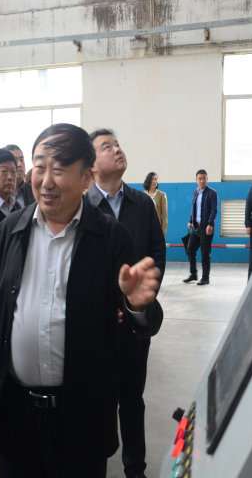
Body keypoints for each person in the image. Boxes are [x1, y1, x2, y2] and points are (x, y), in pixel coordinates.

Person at [0, 123, 163, 478]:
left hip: (80, 418)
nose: (46, 181)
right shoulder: (9, 231)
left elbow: (147, 323)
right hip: (15, 415)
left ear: (87, 178)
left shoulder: (110, 236)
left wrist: (136, 304)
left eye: (59, 169)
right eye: (39, 167)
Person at [87, 129, 166, 478]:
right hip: (96, 328)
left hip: (135, 323)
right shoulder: (83, 207)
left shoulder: (142, 203)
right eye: (107, 147)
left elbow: (158, 253)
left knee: (132, 401)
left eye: (117, 144)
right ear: (91, 165)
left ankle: (135, 469)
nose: (117, 149)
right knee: (96, 403)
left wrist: (139, 303)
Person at [184, 169, 218, 286]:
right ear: (196, 180)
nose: (202, 180)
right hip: (196, 228)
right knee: (190, 250)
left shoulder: (212, 193)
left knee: (205, 254)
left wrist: (210, 224)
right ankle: (193, 274)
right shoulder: (195, 192)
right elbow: (193, 208)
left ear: (207, 179)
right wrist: (190, 221)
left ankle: (205, 278)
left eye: (204, 178)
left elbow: (214, 210)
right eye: (200, 178)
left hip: (206, 228)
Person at [143, 172, 168, 237]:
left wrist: (163, 231)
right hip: (145, 228)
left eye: (156, 179)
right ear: (148, 181)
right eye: (152, 179)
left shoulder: (162, 195)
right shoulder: (143, 195)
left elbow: (164, 215)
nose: (154, 181)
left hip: (156, 228)